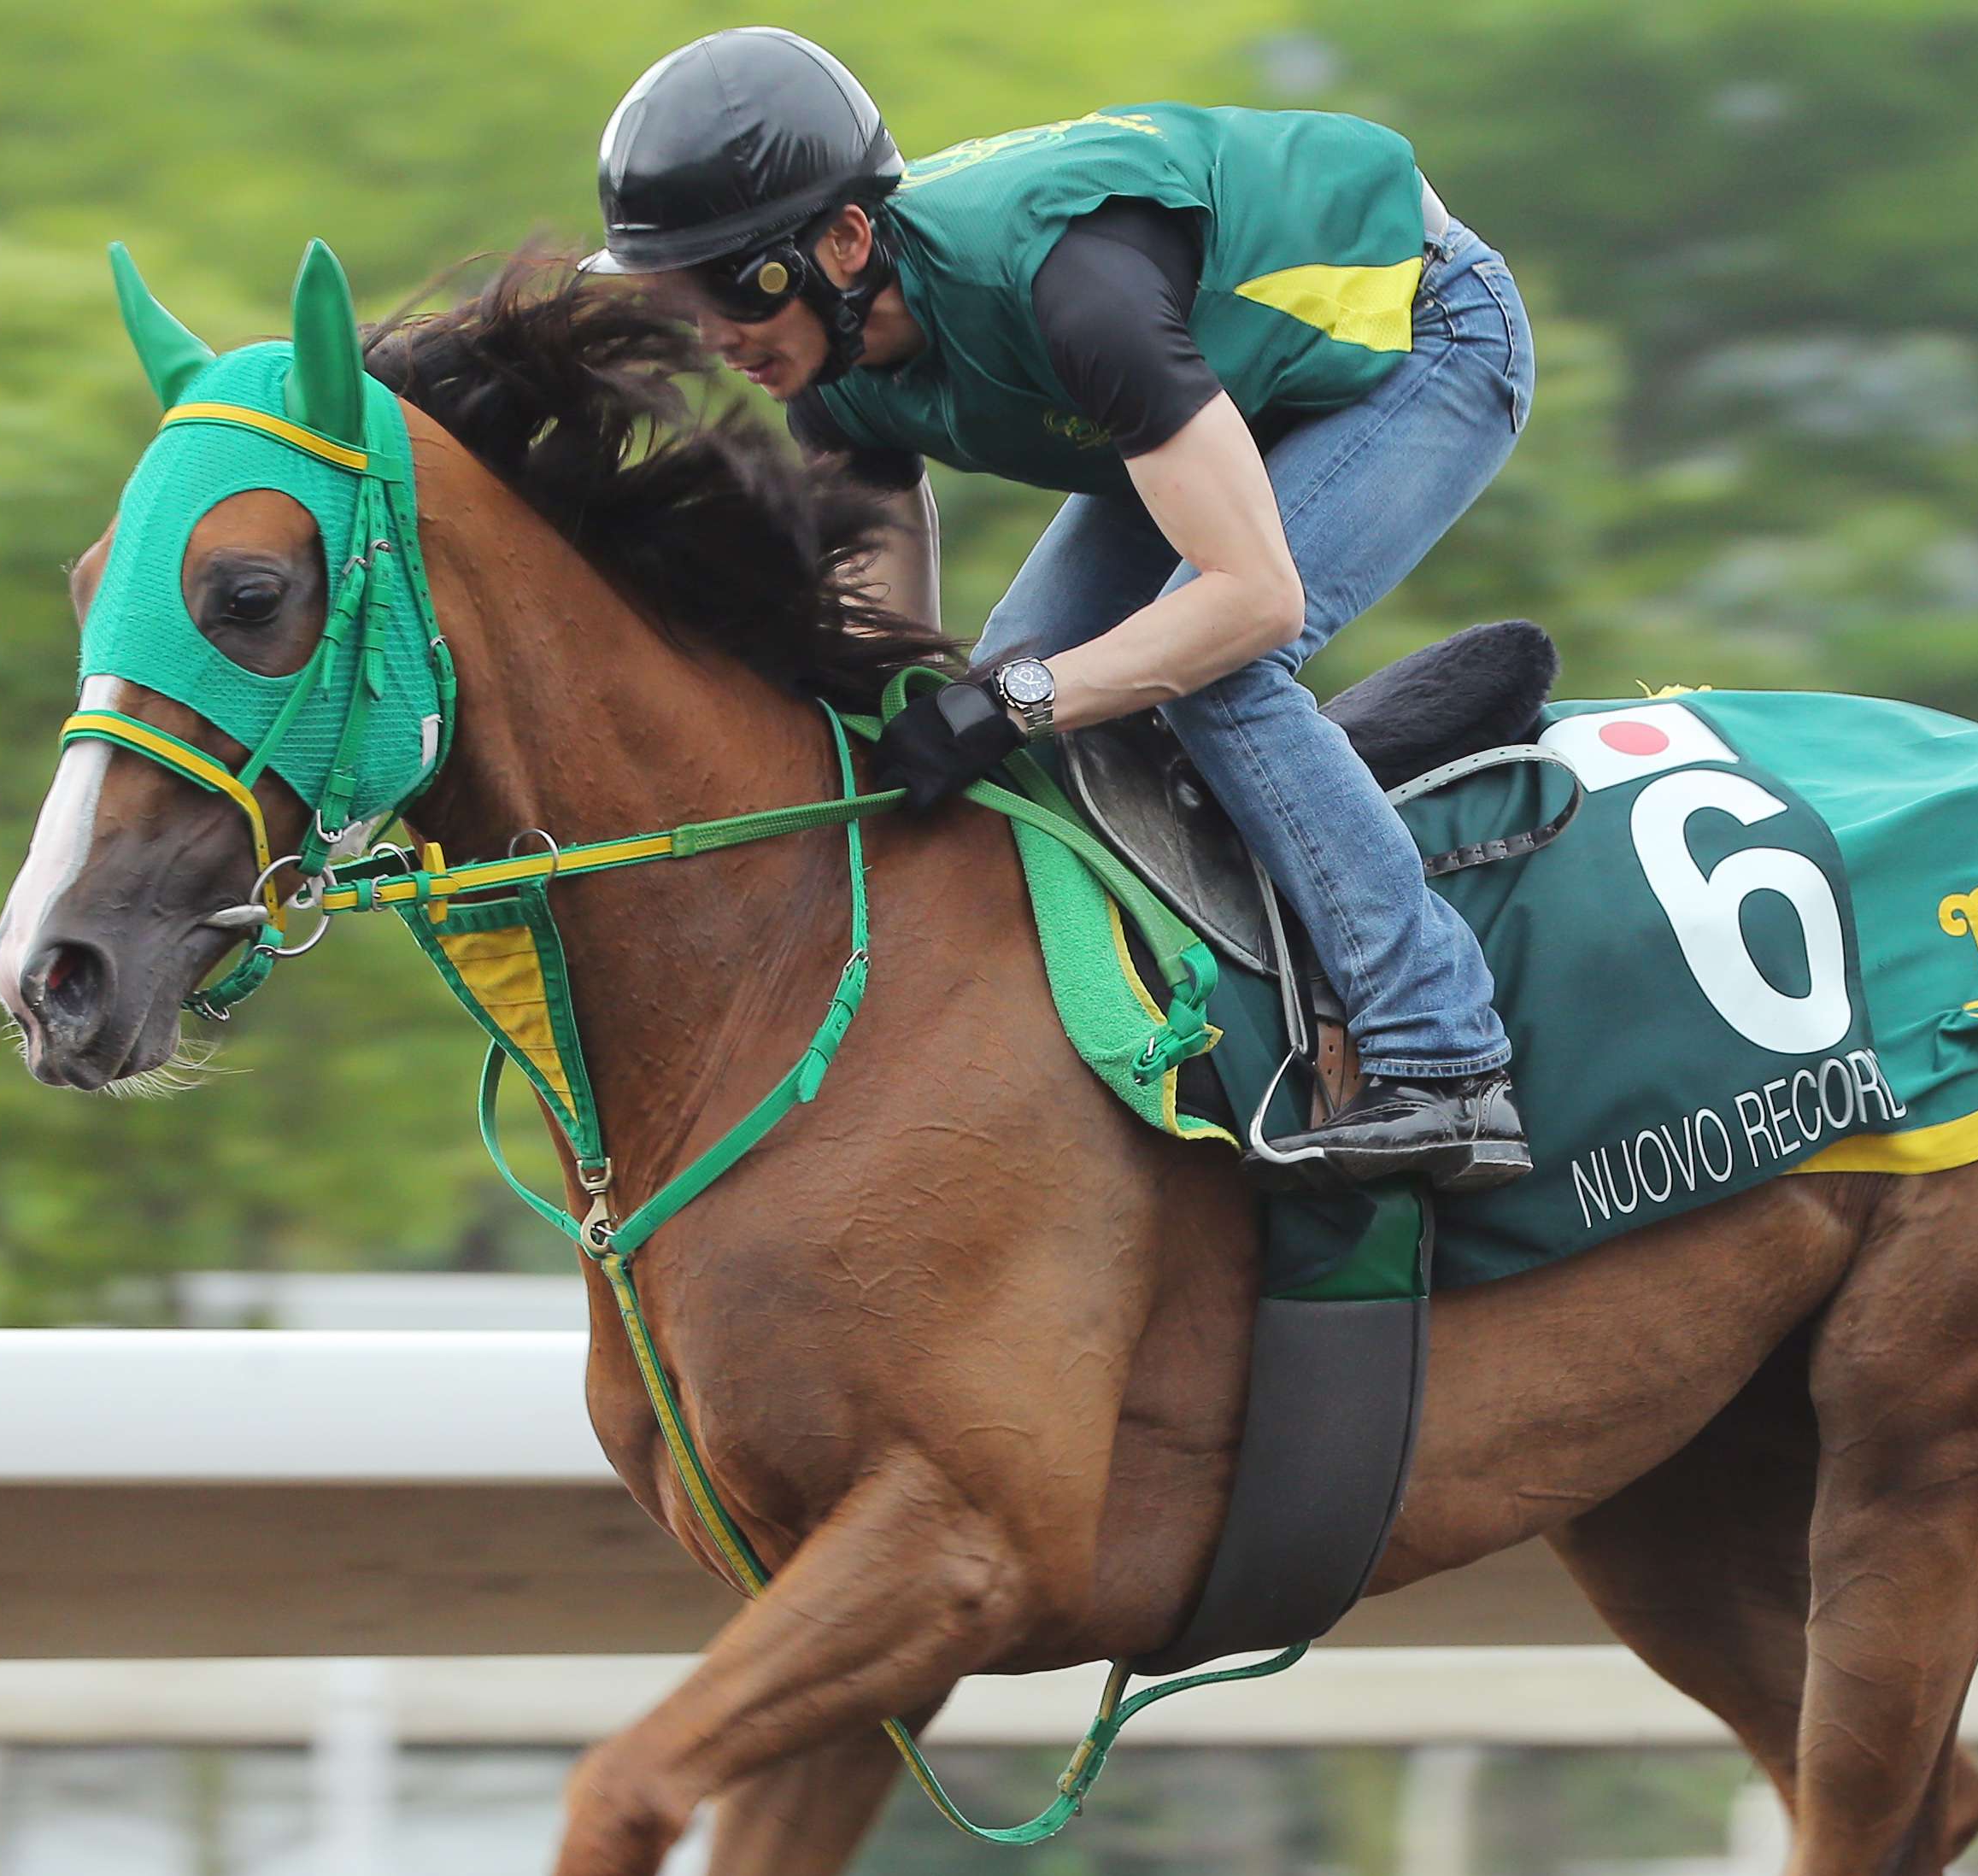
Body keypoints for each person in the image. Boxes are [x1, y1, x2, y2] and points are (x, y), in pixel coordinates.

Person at [584, 29, 1535, 1191]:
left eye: (727, 286)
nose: (710, 339)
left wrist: (1021, 700)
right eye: (673, 301)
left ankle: (1445, 1058)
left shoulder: (1072, 288)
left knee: (1211, 674)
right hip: (1208, 384)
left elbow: (1250, 600)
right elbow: (888, 669)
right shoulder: (832, 382)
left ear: (843, 240)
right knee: (998, 700)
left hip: (1415, 334)